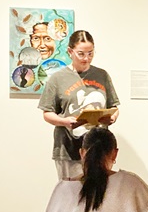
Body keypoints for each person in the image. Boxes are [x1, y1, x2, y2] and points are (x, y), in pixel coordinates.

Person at [38, 29, 119, 180]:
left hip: (98, 147)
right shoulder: (57, 78)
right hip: (69, 148)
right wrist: (64, 121)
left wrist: (112, 117)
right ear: (70, 51)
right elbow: (47, 113)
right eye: (81, 53)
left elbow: (114, 106)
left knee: (99, 194)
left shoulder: (102, 75)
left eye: (90, 53)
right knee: (71, 196)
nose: (86, 58)